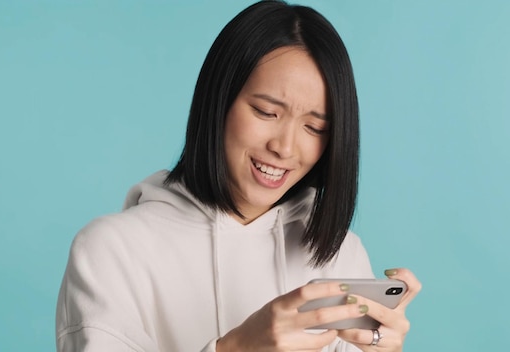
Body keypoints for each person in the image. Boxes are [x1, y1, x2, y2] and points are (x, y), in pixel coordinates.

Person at [55, 1, 421, 351]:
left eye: (314, 127)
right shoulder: (110, 251)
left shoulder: (339, 254)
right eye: (265, 112)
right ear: (218, 102)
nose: (286, 148)